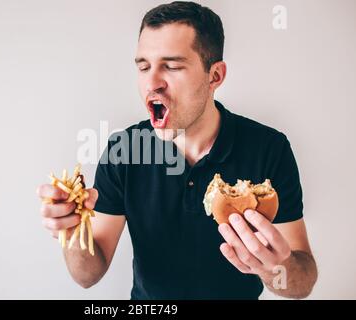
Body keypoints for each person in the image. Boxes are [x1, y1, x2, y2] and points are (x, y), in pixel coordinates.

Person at [37, 1, 317, 299]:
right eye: (143, 66)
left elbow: (302, 283)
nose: (152, 83)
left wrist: (274, 267)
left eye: (171, 66)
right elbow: (87, 276)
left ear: (215, 76)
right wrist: (72, 232)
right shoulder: (124, 149)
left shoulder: (269, 148)